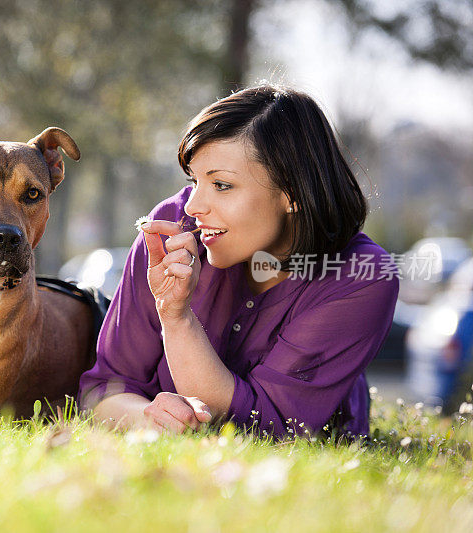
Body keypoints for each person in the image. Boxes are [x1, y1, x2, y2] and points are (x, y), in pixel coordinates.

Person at [78, 85, 399, 439]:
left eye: (221, 185)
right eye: (195, 180)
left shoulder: (361, 276)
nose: (192, 206)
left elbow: (269, 428)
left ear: (291, 192)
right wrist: (148, 417)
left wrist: (176, 317)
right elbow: (103, 393)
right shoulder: (172, 230)